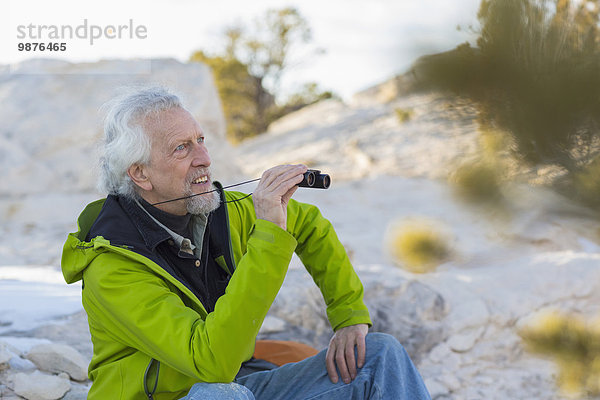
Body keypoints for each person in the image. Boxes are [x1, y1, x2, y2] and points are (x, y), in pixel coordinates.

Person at [61, 86, 431, 400]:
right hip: (193, 392)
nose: (204, 158)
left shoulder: (224, 210)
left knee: (381, 355)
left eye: (201, 141)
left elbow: (310, 225)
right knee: (222, 394)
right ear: (140, 173)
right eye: (181, 148)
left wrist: (348, 314)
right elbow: (212, 362)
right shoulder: (112, 266)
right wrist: (269, 235)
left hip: (236, 384)